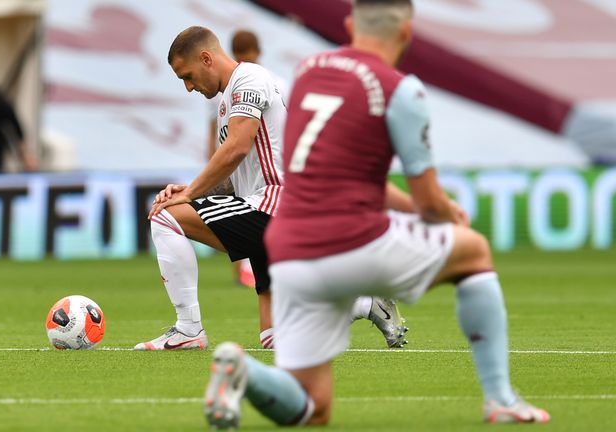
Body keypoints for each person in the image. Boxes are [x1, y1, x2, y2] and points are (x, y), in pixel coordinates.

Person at [203, 0, 550, 427]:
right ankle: (500, 398)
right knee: (474, 251)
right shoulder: (402, 90)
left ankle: (243, 369)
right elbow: (427, 201)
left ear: (349, 25)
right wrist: (449, 213)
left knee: (314, 407)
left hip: (289, 246)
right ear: (405, 35)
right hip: (352, 239)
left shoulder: (311, 72)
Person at [136, 26, 407, 351]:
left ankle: (188, 328)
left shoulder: (249, 79)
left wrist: (190, 194)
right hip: (263, 206)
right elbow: (234, 174)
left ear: (206, 58)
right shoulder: (226, 103)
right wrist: (190, 189)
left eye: (188, 75)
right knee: (275, 338)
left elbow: (236, 147)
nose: (189, 86)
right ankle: (364, 302)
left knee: (165, 217)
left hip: (274, 206)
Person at [206, 29, 289, 289]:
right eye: (243, 55)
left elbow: (234, 142)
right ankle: (243, 274)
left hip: (272, 183)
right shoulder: (224, 90)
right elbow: (218, 133)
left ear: (258, 52)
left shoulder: (269, 83)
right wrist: (214, 164)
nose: (247, 59)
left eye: (249, 54)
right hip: (245, 172)